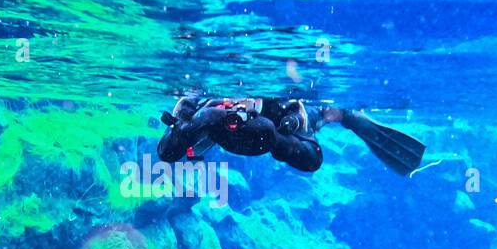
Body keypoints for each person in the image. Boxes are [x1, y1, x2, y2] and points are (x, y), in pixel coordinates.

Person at [156, 95, 424, 176]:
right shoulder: (202, 104)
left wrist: (278, 138)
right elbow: (166, 152)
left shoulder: (282, 107)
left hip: (289, 122)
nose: (235, 106)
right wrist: (195, 123)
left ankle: (349, 116)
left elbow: (312, 159)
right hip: (211, 129)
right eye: (229, 102)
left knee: (330, 112)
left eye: (240, 102)